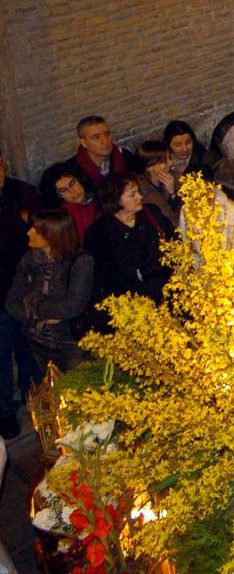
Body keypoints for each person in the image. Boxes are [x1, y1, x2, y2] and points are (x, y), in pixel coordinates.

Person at [5, 208, 94, 373]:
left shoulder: (80, 261)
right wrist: (43, 315)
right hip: (37, 341)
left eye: (36, 230)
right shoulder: (29, 259)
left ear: (53, 234)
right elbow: (12, 302)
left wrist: (33, 305)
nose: (29, 232)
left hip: (71, 344)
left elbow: (72, 306)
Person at [83, 173, 175, 319]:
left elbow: (174, 241)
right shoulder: (99, 233)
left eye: (138, 192)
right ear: (115, 199)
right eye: (132, 194)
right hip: (133, 302)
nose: (140, 197)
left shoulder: (151, 213)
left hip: (168, 289)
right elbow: (108, 277)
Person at [0, 152, 39, 438]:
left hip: (26, 286)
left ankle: (35, 398)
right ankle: (5, 412)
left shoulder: (21, 193)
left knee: (30, 347)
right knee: (2, 354)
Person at [68, 116, 130, 190]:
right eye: (96, 137)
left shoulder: (125, 157)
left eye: (107, 134)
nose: (105, 141)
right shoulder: (72, 170)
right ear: (83, 142)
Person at [41, 164, 98, 241]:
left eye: (72, 184)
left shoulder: (100, 197)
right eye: (63, 190)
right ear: (57, 195)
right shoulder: (62, 216)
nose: (72, 191)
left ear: (79, 179)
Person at [162, 120, 217, 187]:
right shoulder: (163, 162)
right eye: (178, 145)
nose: (184, 149)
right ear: (168, 145)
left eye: (188, 143)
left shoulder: (207, 158)